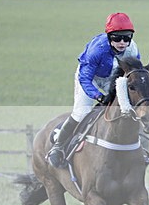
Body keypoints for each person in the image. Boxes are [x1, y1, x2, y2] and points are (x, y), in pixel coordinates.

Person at [47, 12, 140, 168]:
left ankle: (137, 148)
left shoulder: (132, 49)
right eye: (117, 38)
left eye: (127, 37)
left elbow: (135, 72)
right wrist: (98, 96)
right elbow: (85, 78)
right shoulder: (97, 51)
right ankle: (59, 147)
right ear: (109, 36)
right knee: (81, 112)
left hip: (112, 77)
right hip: (90, 79)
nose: (122, 42)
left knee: (129, 110)